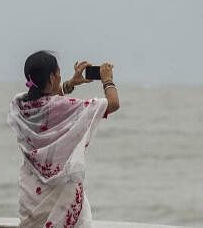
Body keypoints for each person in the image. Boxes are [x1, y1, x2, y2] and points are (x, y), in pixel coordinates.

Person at [7, 51, 119, 228]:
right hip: (62, 193)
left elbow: (46, 101)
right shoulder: (65, 107)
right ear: (51, 78)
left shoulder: (20, 105)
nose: (60, 75)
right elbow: (113, 103)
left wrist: (70, 83)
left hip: (31, 197)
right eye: (58, 73)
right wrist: (107, 79)